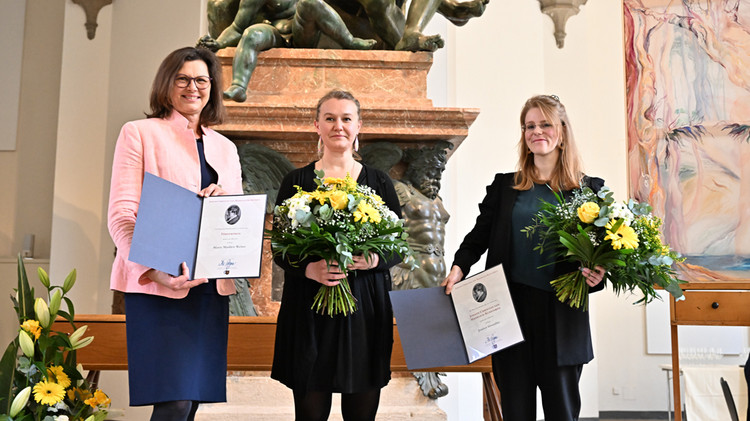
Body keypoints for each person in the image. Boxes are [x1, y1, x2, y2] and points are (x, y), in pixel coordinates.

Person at [441, 94, 607, 420]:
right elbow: (478, 237)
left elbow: (601, 251)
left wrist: (598, 274)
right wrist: (459, 267)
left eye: (545, 124)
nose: (536, 131)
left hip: (561, 318)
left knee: (562, 413)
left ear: (562, 130)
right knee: (515, 412)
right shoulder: (505, 188)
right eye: (529, 126)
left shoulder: (588, 191)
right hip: (508, 314)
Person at [107, 46, 243, 421]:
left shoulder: (226, 148)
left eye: (201, 79)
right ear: (167, 84)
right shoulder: (138, 133)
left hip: (208, 291)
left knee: (191, 401)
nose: (192, 87)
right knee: (174, 400)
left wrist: (225, 202)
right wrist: (157, 272)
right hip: (157, 288)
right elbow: (121, 215)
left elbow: (237, 220)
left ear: (212, 86)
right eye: (182, 79)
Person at [271, 90, 402, 421]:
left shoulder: (380, 182)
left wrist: (373, 259)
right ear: (317, 125)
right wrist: (310, 269)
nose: (338, 126)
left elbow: (398, 244)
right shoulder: (295, 181)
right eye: (329, 118)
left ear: (359, 126)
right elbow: (279, 247)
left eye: (346, 118)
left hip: (364, 310)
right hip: (309, 308)